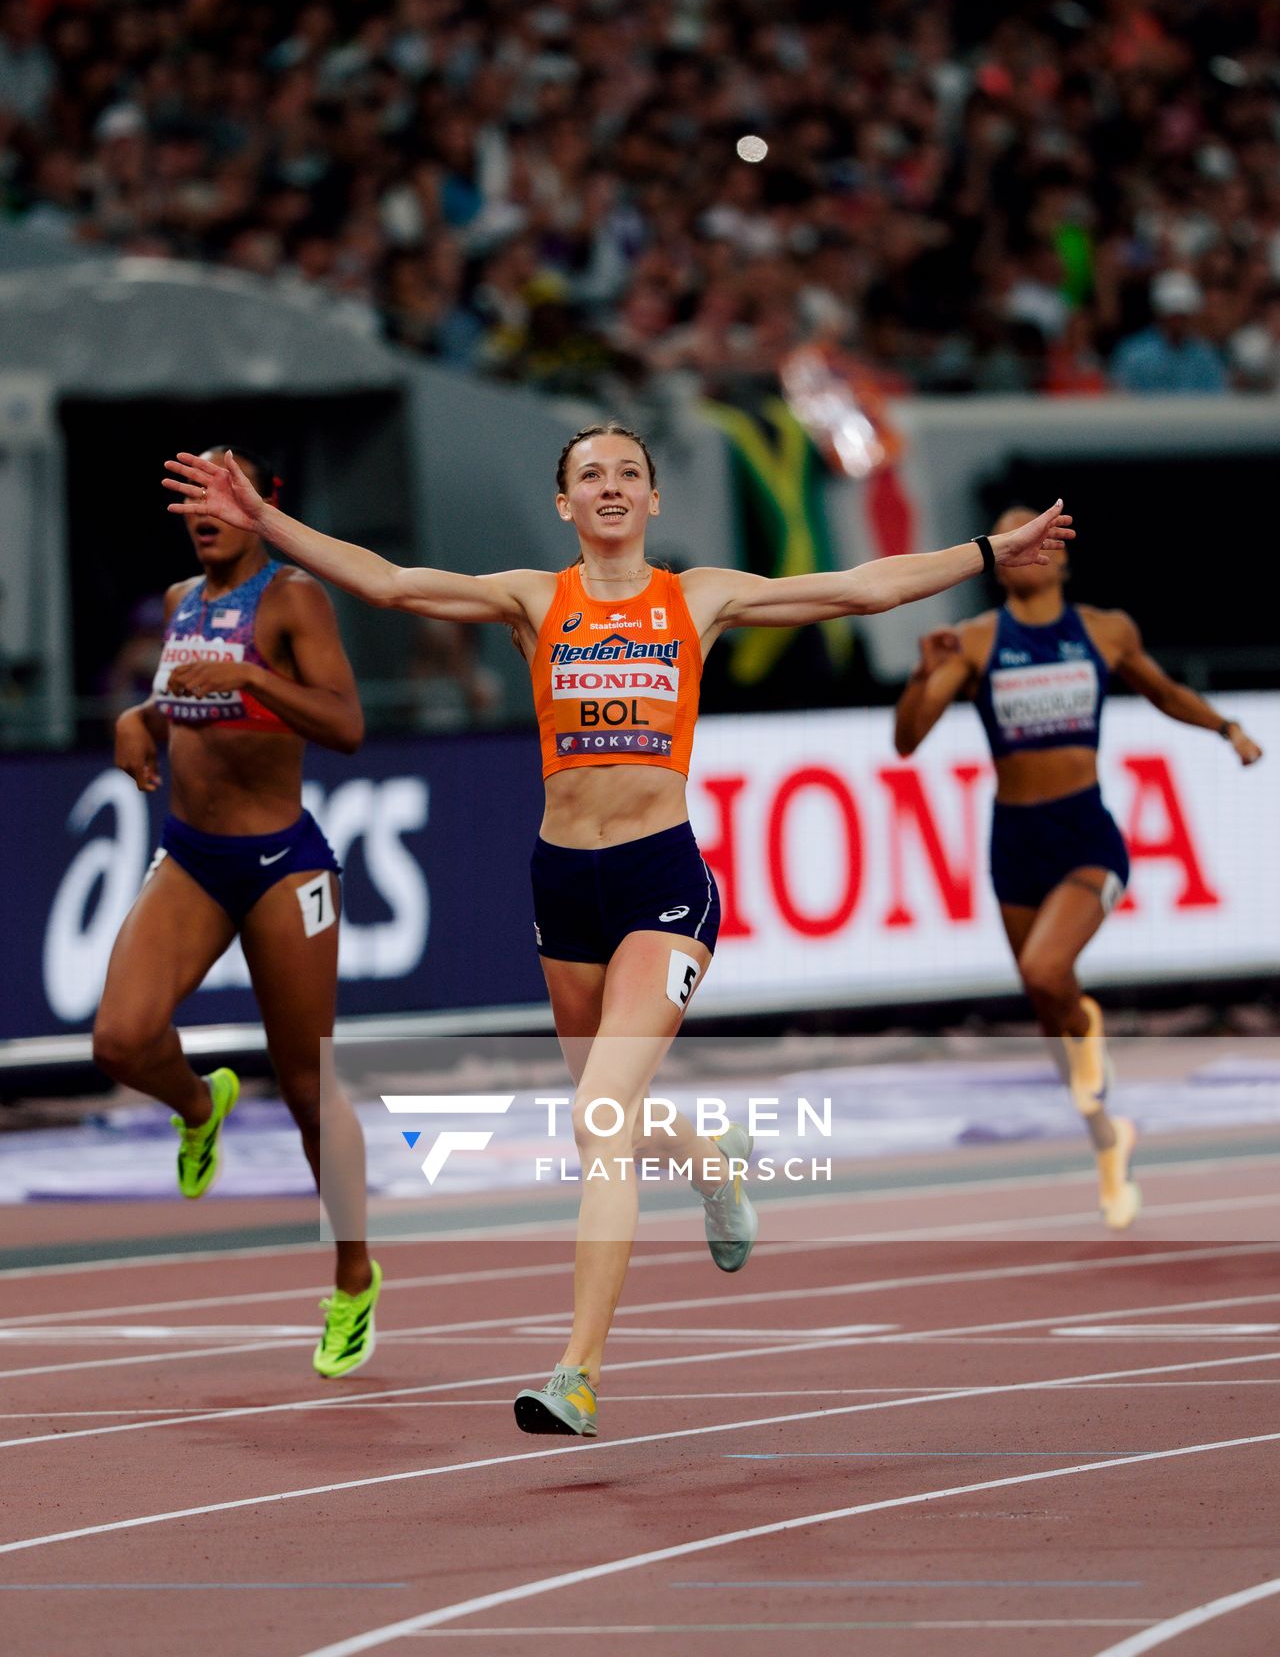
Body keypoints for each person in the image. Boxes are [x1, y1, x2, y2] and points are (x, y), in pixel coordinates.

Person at [164, 425, 1073, 1438]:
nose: (609, 485)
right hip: (562, 886)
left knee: (598, 1116)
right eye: (590, 474)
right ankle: (709, 1158)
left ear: (650, 502)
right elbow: (387, 582)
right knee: (617, 1112)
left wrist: (992, 553)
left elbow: (862, 588)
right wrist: (267, 523)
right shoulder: (532, 598)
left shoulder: (698, 597)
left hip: (660, 884)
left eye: (627, 473)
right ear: (565, 504)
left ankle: (576, 1374)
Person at [95, 447, 381, 1379]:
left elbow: (345, 726)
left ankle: (352, 1279)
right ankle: (197, 1103)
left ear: (261, 505)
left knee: (306, 1088)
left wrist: (256, 681)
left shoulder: (293, 598)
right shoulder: (182, 601)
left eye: (227, 494)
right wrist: (141, 717)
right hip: (191, 855)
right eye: (194, 496)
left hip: (278, 865)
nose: (207, 511)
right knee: (119, 1043)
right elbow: (182, 692)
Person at [894, 507, 1262, 1228]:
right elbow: (908, 740)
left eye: (1038, 539)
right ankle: (1104, 1137)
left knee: (1043, 972)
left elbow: (1163, 691)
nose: (1026, 552)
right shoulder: (973, 642)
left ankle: (1088, 1027)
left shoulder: (1105, 629)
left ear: (1061, 556)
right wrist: (922, 675)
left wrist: (1227, 728)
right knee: (1047, 1010)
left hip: (1086, 835)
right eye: (1011, 542)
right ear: (997, 562)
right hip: (1015, 842)